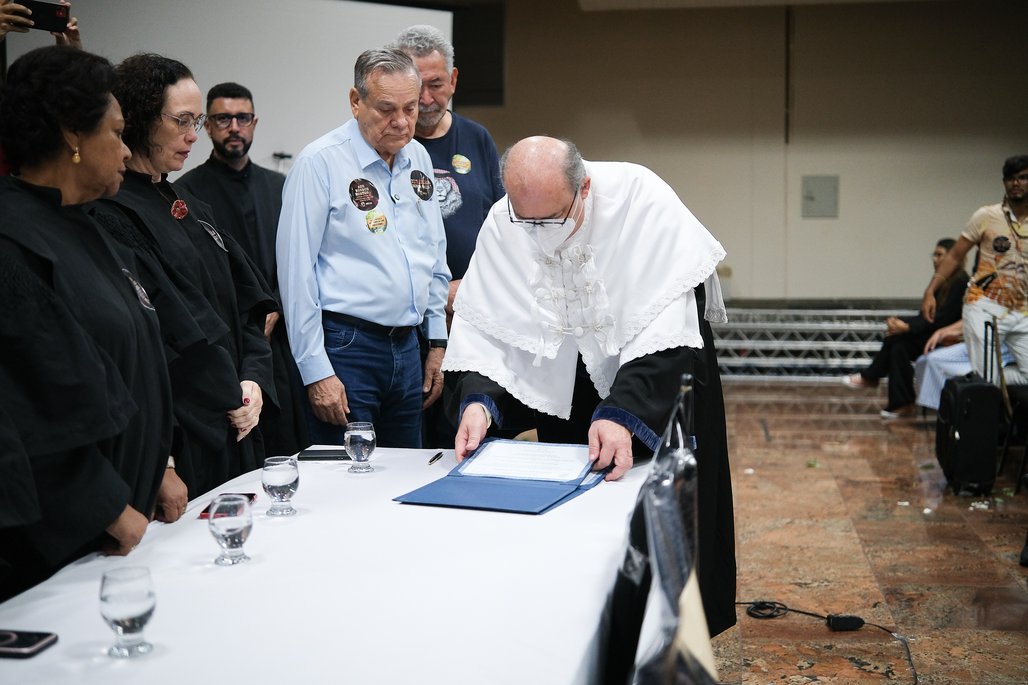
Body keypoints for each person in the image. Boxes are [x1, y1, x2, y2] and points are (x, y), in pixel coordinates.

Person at [442, 135, 736, 636]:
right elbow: (485, 328)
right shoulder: (504, 219)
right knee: (578, 508)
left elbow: (665, 325)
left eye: (551, 218)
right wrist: (480, 401)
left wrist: (625, 412)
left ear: (584, 189)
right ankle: (583, 621)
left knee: (660, 509)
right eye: (525, 219)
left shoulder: (641, 198)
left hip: (657, 376)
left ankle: (663, 629)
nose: (538, 232)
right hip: (571, 380)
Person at [0, 46, 172, 600]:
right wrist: (104, 507)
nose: (126, 151)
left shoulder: (88, 225)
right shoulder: (14, 240)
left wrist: (161, 463)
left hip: (126, 519)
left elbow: (133, 357)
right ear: (74, 134)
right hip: (68, 540)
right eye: (117, 133)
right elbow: (24, 404)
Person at [90, 53, 277, 502]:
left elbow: (248, 303)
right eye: (182, 121)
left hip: (237, 415)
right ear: (135, 120)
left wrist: (253, 380)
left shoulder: (190, 206)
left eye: (197, 120)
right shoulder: (111, 214)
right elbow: (171, 331)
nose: (195, 134)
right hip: (189, 428)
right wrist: (229, 393)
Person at [277, 48, 450, 448]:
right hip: (346, 347)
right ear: (356, 102)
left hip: (408, 346)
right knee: (348, 480)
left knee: (404, 475)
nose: (403, 122)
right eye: (387, 109)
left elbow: (433, 255)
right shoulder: (319, 163)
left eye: (410, 107)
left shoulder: (418, 156)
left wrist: (437, 341)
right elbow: (295, 275)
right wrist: (316, 370)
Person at [178, 82, 309, 457]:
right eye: (222, 118)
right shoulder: (187, 195)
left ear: (254, 122)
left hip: (282, 339)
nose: (234, 127)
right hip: (229, 340)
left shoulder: (280, 187)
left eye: (242, 118)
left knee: (289, 442)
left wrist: (276, 307)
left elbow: (299, 260)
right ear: (207, 125)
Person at [390, 25, 506, 446]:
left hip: (471, 322)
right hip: (408, 327)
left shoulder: (477, 138)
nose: (424, 100)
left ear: (453, 81)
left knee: (470, 438)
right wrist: (436, 294)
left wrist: (467, 288)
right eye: (415, 87)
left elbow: (504, 232)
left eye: (435, 85)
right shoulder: (388, 148)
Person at [923, 155, 1028, 384]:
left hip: (1022, 310)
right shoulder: (987, 216)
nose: (1016, 183)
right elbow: (955, 254)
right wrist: (930, 291)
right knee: (987, 381)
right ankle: (984, 388)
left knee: (1004, 378)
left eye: (1023, 178)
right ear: (1004, 183)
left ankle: (980, 381)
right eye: (1010, 179)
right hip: (984, 305)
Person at [844, 238, 968, 418]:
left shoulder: (960, 282)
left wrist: (907, 327)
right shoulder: (943, 284)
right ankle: (901, 402)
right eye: (934, 254)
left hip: (947, 339)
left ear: (952, 258)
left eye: (939, 255)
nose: (935, 259)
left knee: (897, 340)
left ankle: (873, 378)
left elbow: (941, 320)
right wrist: (900, 324)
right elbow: (926, 316)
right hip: (932, 335)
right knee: (898, 345)